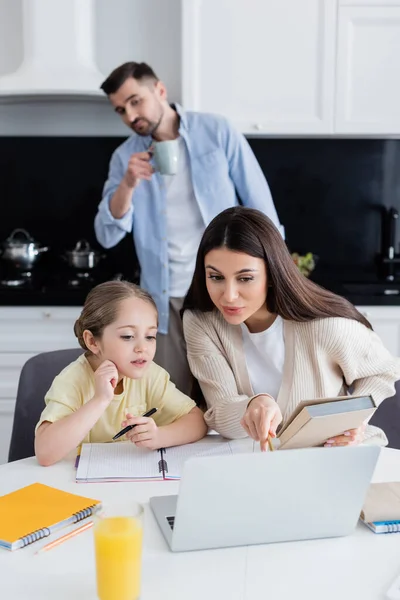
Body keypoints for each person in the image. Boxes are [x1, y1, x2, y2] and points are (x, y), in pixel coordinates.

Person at [94, 61, 283, 396]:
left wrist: (276, 276)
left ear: (160, 90)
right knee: (174, 398)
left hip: (223, 292)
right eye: (121, 110)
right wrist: (128, 183)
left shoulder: (217, 132)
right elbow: (107, 235)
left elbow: (261, 204)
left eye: (136, 101)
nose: (130, 115)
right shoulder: (125, 158)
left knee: (235, 394)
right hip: (165, 299)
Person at [182, 206, 400, 451]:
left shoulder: (325, 327)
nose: (229, 296)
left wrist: (354, 420)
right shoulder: (202, 322)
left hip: (330, 460)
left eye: (245, 278)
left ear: (272, 275)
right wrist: (254, 405)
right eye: (216, 277)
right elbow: (222, 416)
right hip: (251, 464)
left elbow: (384, 370)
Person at [35, 281, 207, 466]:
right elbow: (45, 453)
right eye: (127, 336)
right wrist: (100, 400)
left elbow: (197, 421)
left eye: (150, 336)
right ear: (93, 341)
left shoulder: (150, 375)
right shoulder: (71, 381)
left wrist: (159, 436)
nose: (142, 348)